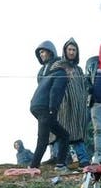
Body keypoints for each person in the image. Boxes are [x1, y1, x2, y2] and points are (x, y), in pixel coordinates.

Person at [28, 40, 70, 171]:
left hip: (37, 106)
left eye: (42, 52)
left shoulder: (50, 72)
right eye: (40, 52)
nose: (41, 55)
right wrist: (53, 109)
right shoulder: (60, 73)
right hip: (45, 108)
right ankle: (34, 166)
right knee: (43, 138)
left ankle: (59, 164)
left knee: (63, 135)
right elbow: (55, 92)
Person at [57, 38, 93, 168]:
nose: (71, 52)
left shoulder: (78, 70)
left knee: (78, 133)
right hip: (64, 106)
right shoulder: (59, 66)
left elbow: (84, 86)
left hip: (78, 108)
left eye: (74, 50)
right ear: (65, 51)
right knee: (64, 133)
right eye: (69, 50)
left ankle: (83, 159)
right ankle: (62, 160)